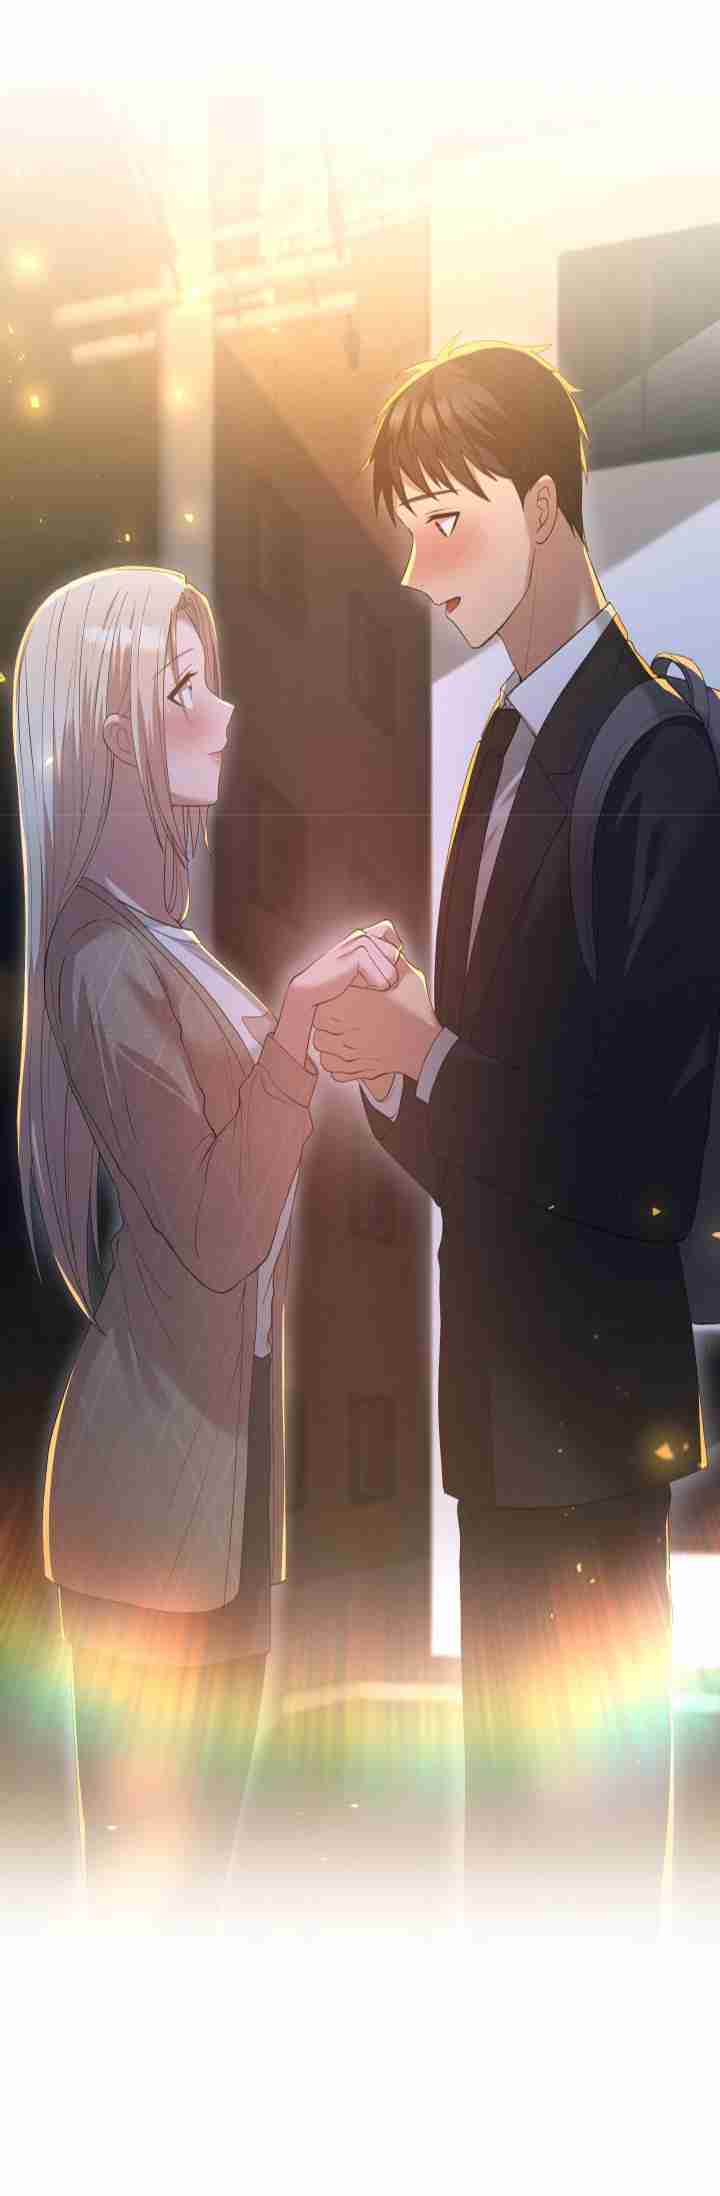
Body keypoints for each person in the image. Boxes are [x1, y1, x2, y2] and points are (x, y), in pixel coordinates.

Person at [313, 341, 720, 1924]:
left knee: (589, 1869)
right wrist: (388, 1068)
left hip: (590, 1419)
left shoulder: (657, 754)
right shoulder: (503, 739)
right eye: (406, 531)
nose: (421, 573)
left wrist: (429, 1054)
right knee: (514, 1859)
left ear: (545, 508)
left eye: (449, 524)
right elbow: (494, 1138)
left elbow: (635, 1160)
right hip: (496, 1417)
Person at [12, 566, 398, 1901]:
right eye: (184, 690)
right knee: (149, 1906)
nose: (221, 714)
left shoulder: (161, 940)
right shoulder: (101, 959)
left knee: (191, 1893)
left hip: (216, 1486)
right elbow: (221, 1231)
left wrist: (323, 1034)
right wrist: (293, 1034)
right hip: (149, 1497)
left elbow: (248, 1166)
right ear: (111, 727)